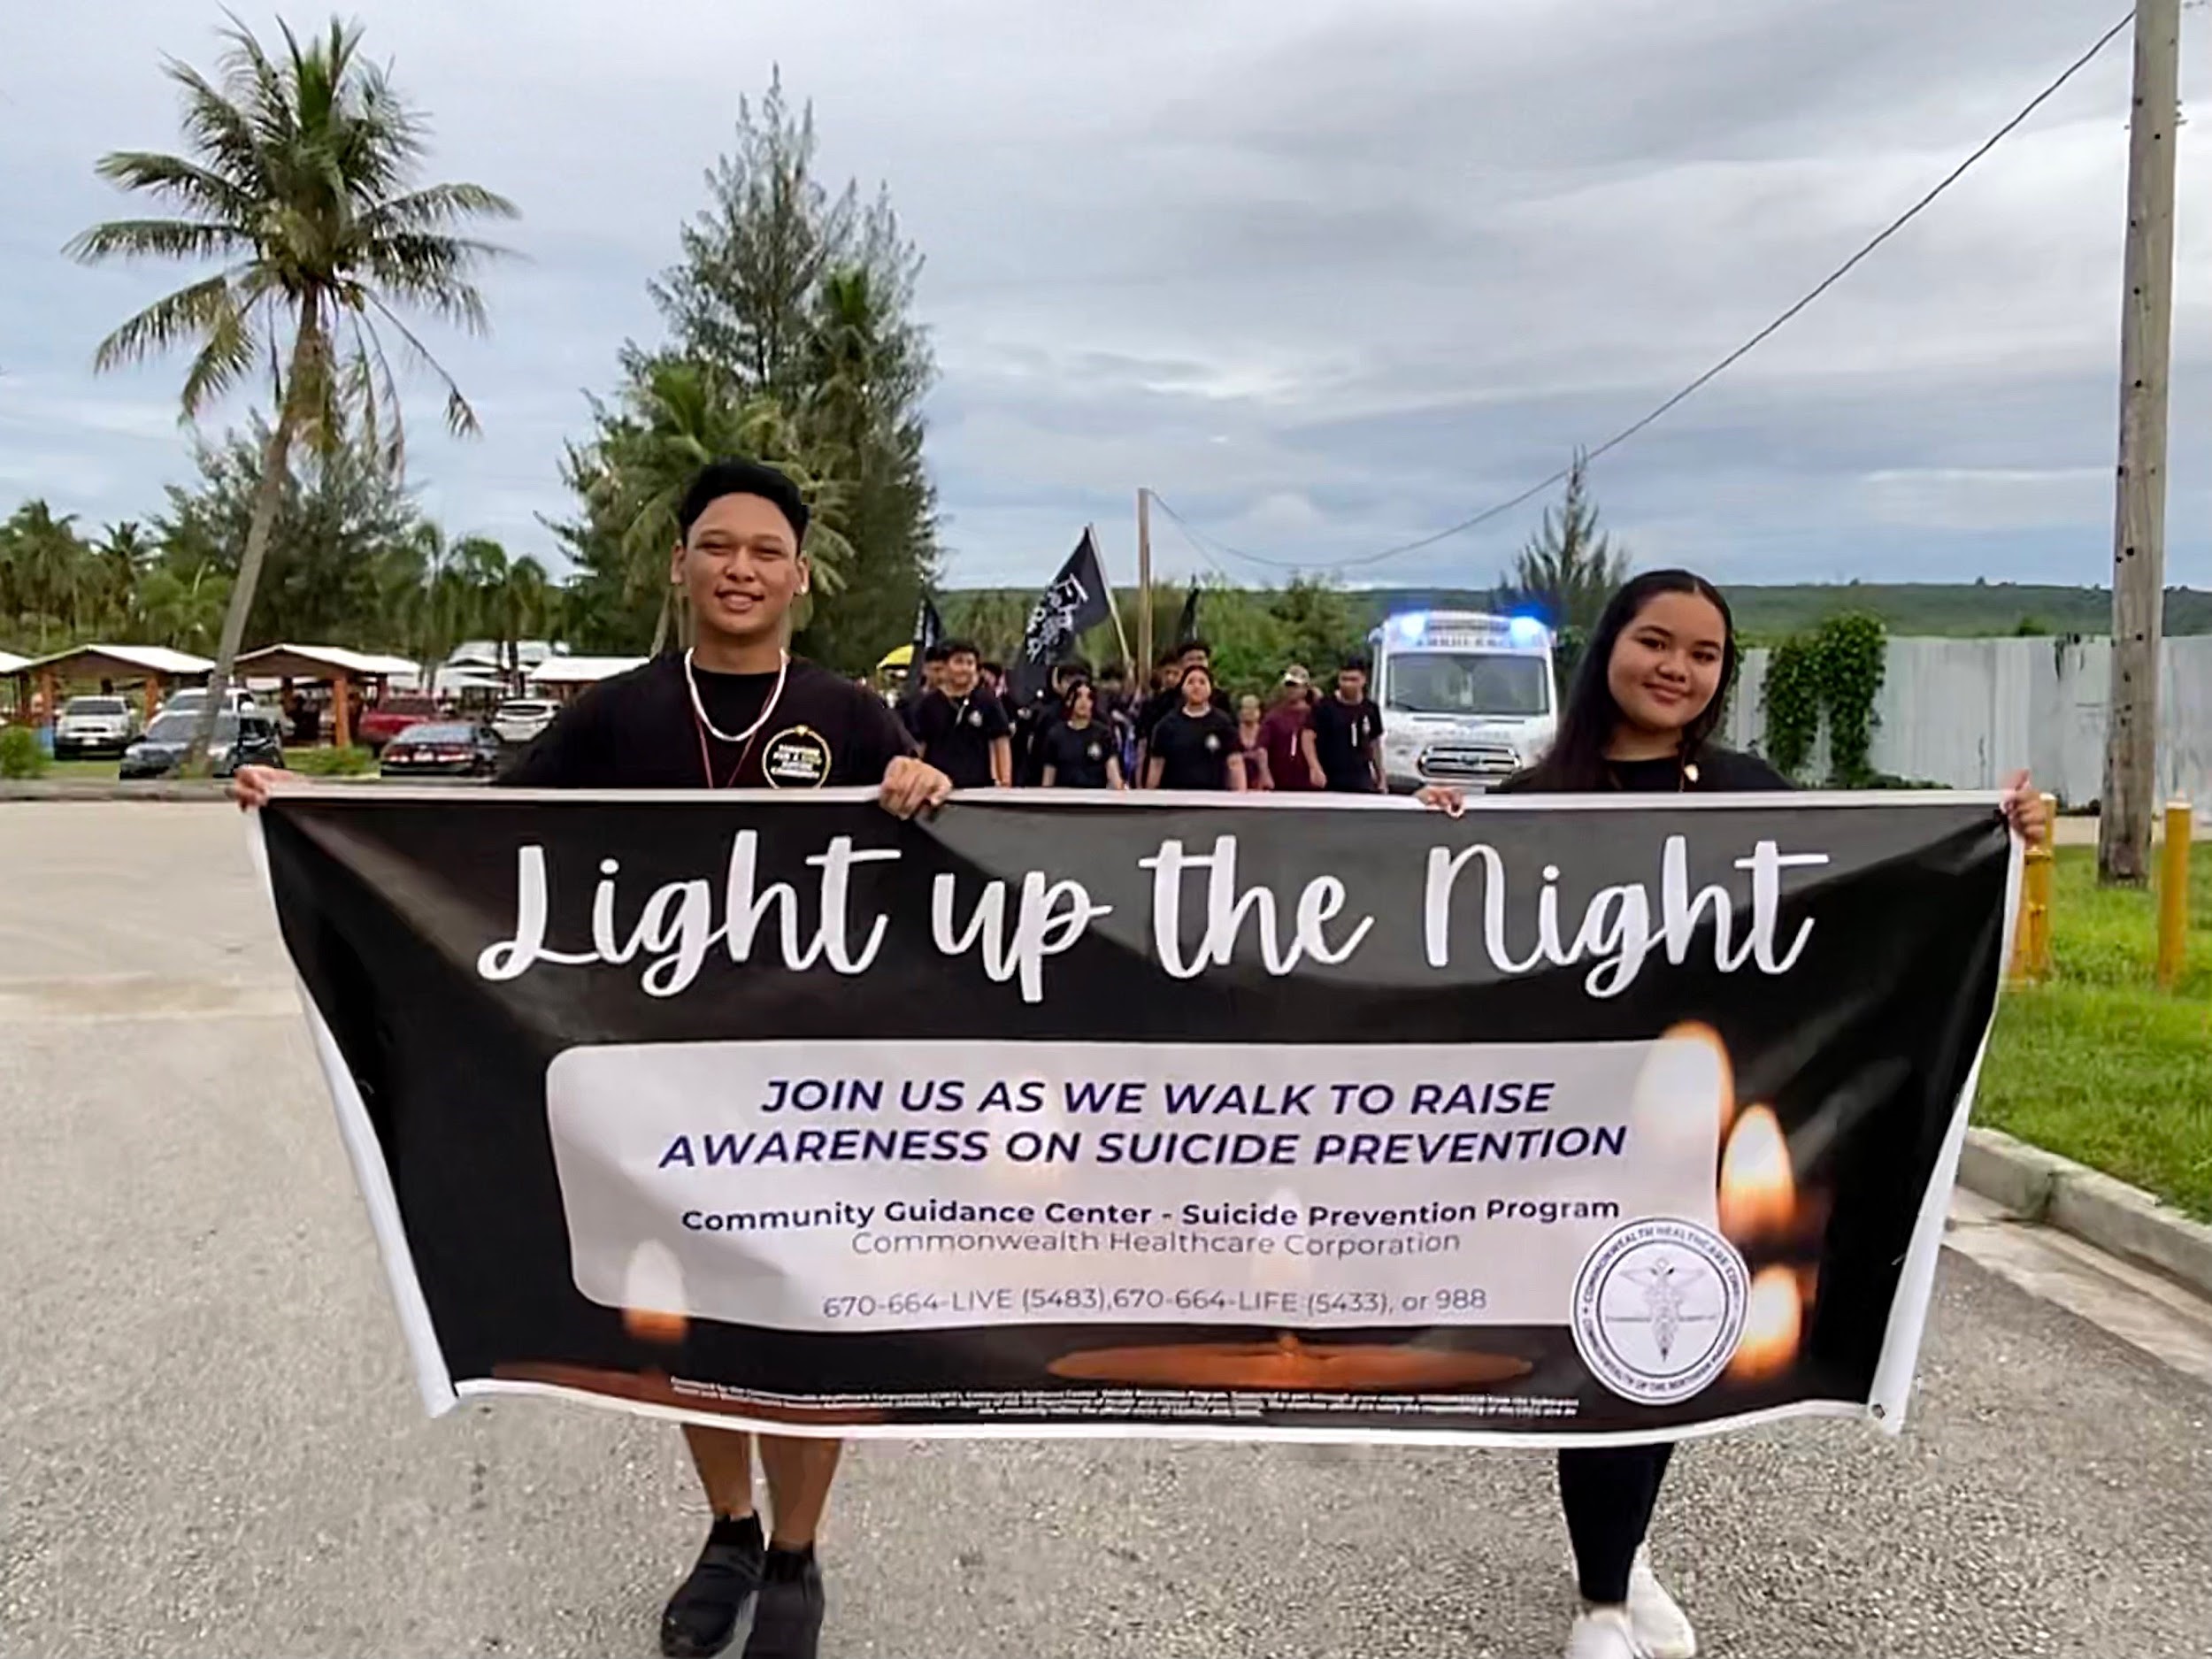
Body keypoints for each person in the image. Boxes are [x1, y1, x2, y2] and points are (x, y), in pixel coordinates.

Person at [235, 457, 955, 1659]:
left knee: (812, 1321)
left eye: (765, 551)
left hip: (817, 1086)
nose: (740, 567)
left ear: (801, 577)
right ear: (680, 565)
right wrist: (320, 808)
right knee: (684, 1321)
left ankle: (796, 1554)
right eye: (718, 546)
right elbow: (468, 832)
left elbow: (975, 858)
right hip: (655, 1084)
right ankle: (730, 1527)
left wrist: (929, 784)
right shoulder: (615, 714)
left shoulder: (847, 718)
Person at [1417, 568, 2049, 1659]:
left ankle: (1613, 1574)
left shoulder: (1751, 792)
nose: (1675, 669)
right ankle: (1605, 1593)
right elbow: (1439, 933)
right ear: (1609, 646)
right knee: (1593, 1351)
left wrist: (1997, 838)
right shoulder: (1530, 802)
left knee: (1655, 1349)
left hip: (1701, 1130)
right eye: (1654, 642)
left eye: (1702, 654)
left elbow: (1858, 903)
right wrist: (1420, 837)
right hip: (1562, 1141)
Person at [915, 640, 1013, 788]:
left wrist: (1005, 783)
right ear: (945, 666)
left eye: (970, 663)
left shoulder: (987, 701)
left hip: (979, 788)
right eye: (959, 662)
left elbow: (1001, 743)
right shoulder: (928, 703)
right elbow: (920, 747)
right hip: (936, 788)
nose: (965, 668)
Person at [1143, 662, 1245, 791]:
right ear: (1182, 687)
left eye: (1202, 682)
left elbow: (1235, 763)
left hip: (1214, 799)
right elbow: (1156, 766)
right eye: (1191, 682)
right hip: (1174, 800)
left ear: (1210, 688)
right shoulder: (1166, 725)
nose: (1196, 686)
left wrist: (1240, 798)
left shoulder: (1224, 723)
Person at [1303, 658, 1383, 793]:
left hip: (1361, 778)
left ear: (1363, 680)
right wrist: (1314, 767)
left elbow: (1374, 742)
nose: (1348, 684)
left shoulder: (1370, 708)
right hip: (1330, 777)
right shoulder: (1325, 706)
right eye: (1344, 679)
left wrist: (1381, 775)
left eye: (1353, 680)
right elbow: (1307, 736)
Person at [1038, 680, 1125, 789]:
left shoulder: (1103, 734)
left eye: (1089, 697)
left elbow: (1114, 775)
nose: (1084, 702)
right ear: (1069, 701)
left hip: (1095, 799)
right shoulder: (1055, 734)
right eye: (1078, 696)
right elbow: (1048, 779)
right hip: (1064, 799)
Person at [1258, 668, 1315, 795]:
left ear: (1306, 688)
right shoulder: (1273, 716)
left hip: (1308, 782)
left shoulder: (1315, 714)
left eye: (1295, 686)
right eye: (1288, 686)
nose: (1291, 690)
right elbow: (1262, 748)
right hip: (1279, 781)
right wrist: (1265, 774)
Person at [1235, 693, 1273, 791]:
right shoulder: (1234, 732)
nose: (1249, 712)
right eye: (1246, 708)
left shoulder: (1265, 732)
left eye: (1252, 709)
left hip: (1261, 781)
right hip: (1239, 780)